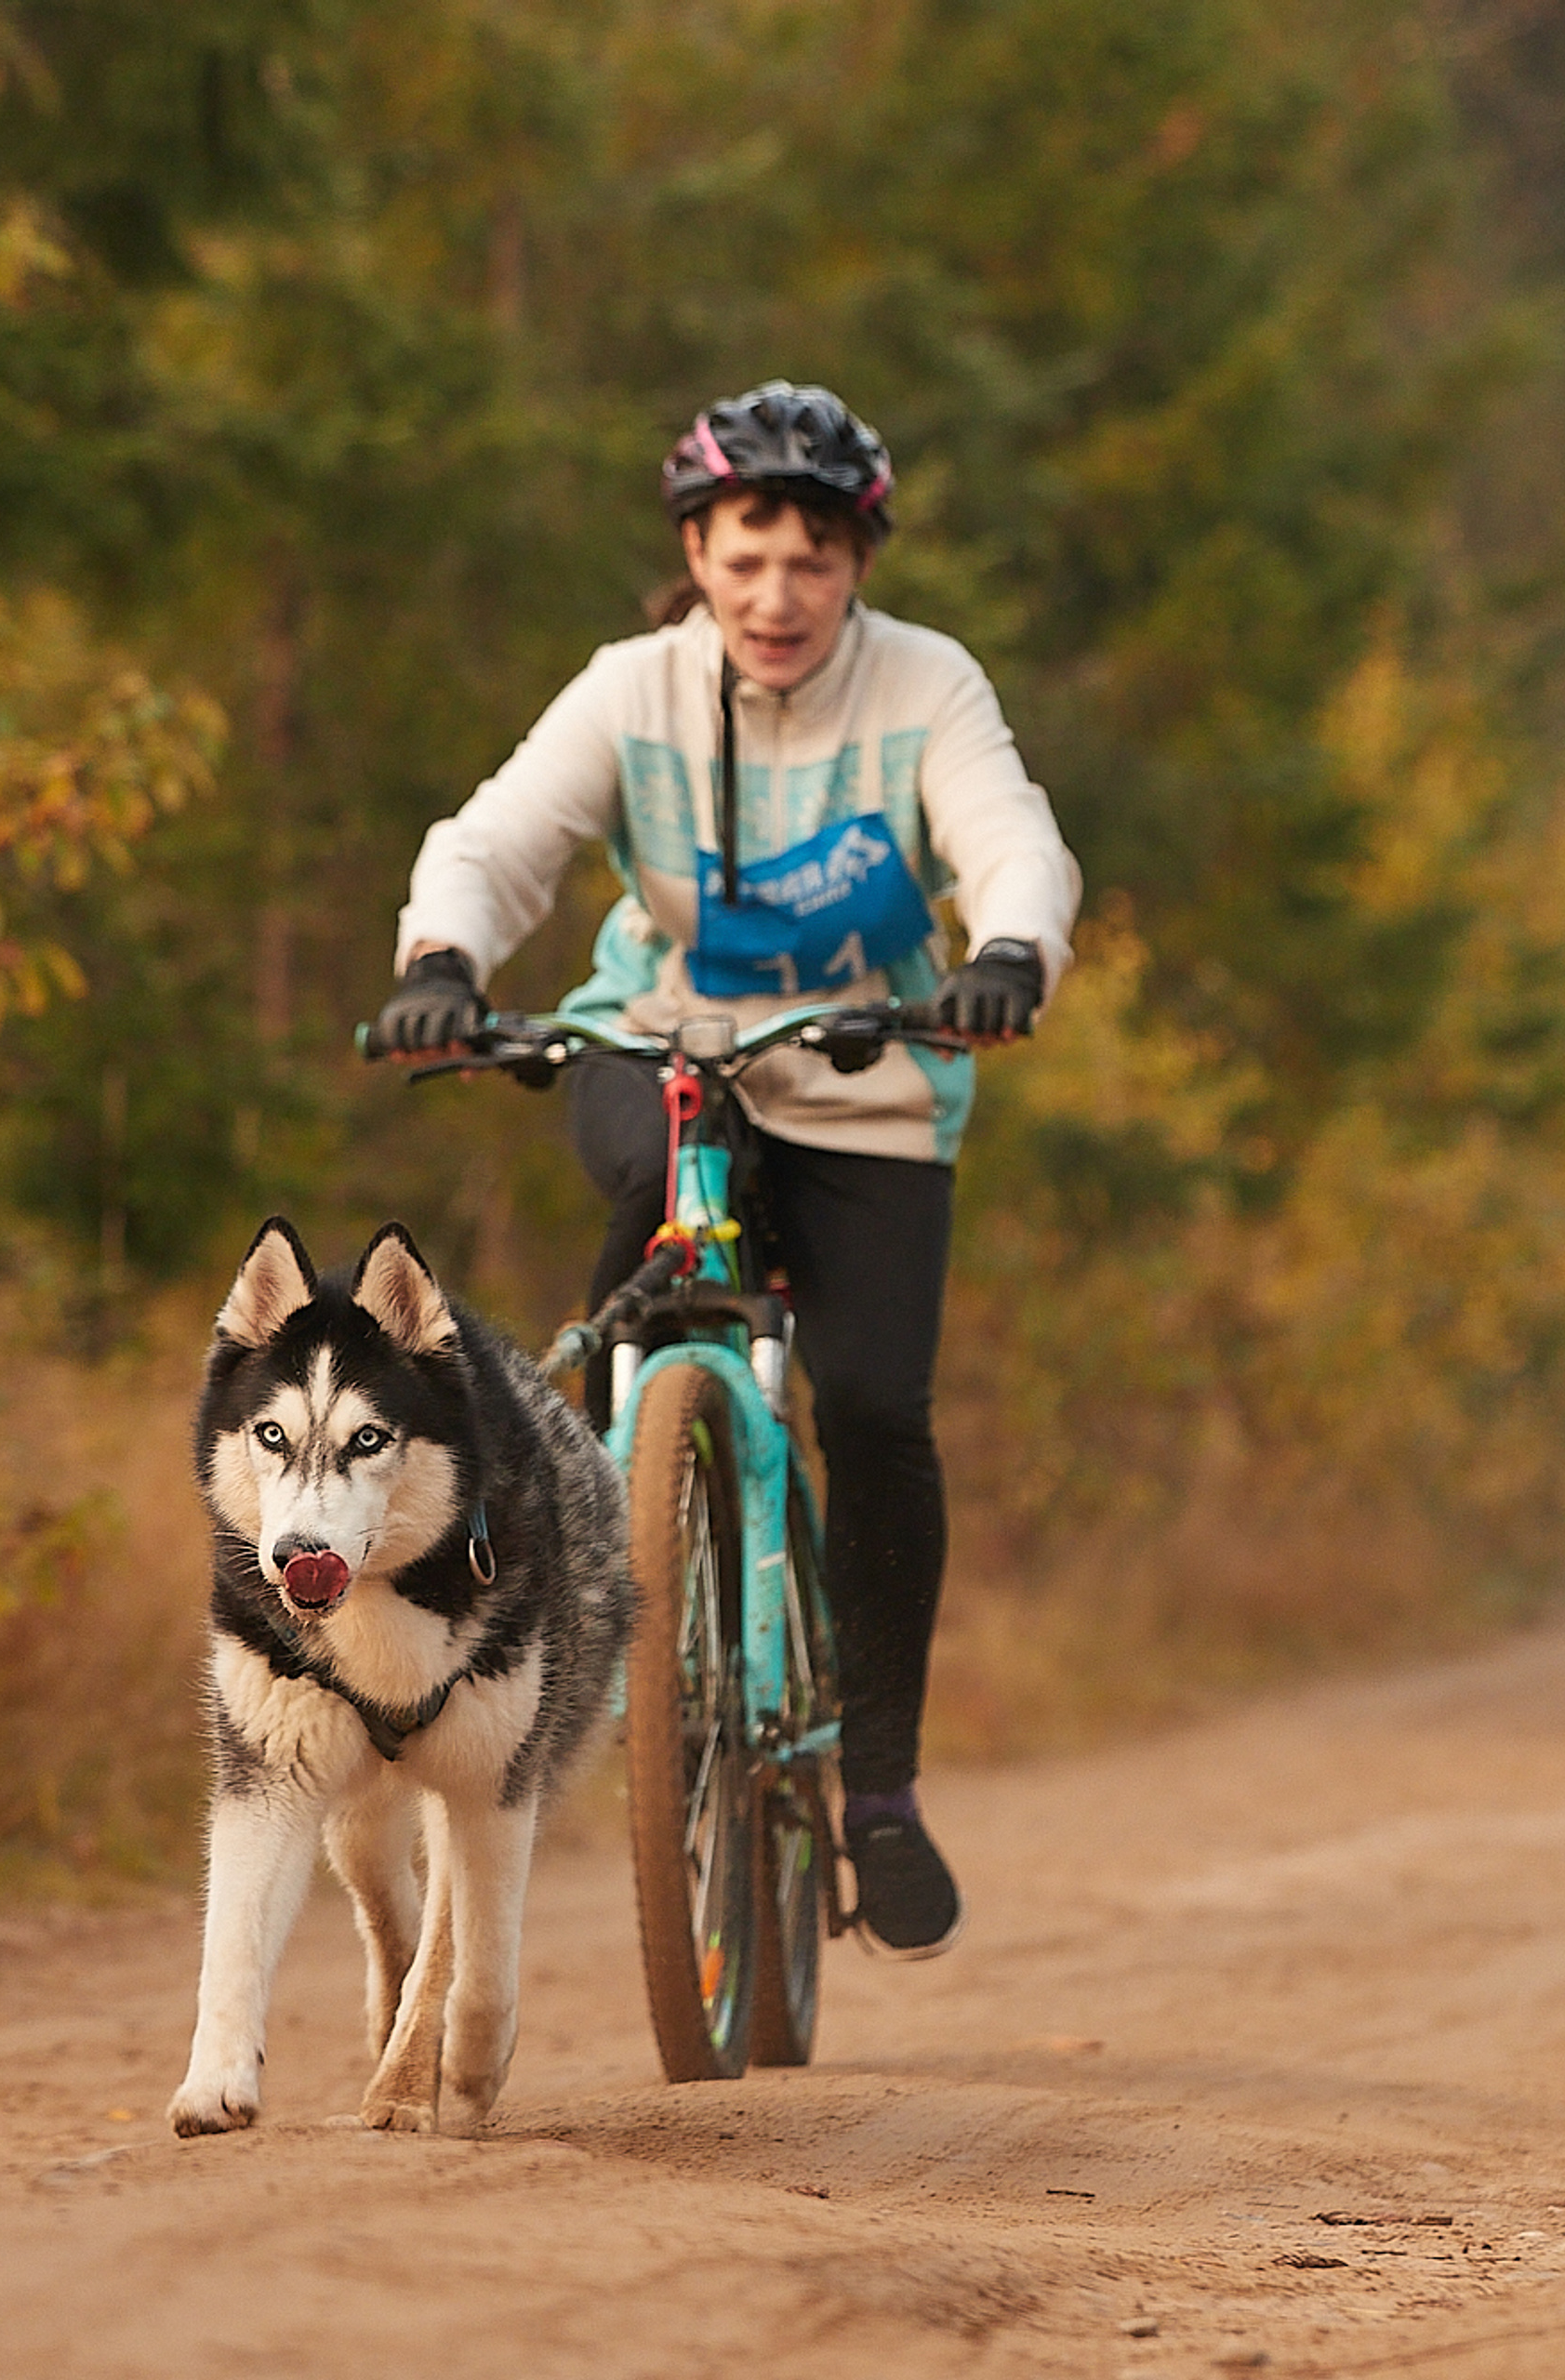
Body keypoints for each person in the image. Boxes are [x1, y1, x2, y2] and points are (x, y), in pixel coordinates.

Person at [365, 380, 1081, 1957]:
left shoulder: (925, 686)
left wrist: (1013, 947)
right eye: (745, 556)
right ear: (695, 551)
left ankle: (877, 1788)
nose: (777, 597)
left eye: (813, 562)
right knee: (639, 1248)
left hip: (870, 1073)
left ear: (858, 569)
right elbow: (497, 841)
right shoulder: (631, 691)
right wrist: (440, 959)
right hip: (663, 1042)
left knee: (881, 1410)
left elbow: (1007, 835)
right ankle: (607, 1537)